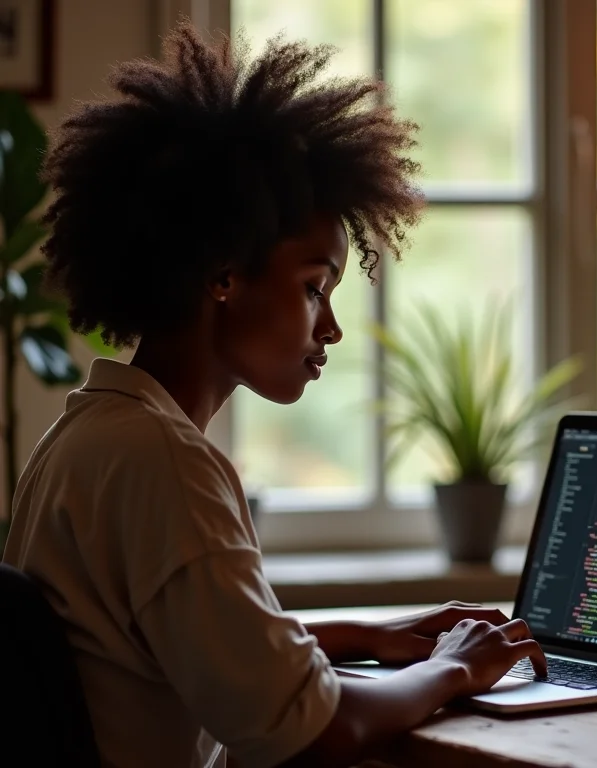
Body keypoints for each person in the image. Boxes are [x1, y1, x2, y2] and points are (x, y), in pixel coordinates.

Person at [2, 21, 546, 768]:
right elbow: (314, 728)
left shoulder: (89, 436)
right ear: (223, 274)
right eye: (315, 287)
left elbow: (176, 655)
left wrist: (366, 637)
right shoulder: (163, 462)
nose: (333, 329)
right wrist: (454, 668)